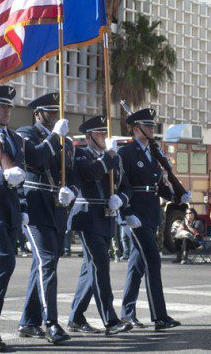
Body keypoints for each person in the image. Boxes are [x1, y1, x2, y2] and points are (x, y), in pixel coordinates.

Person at [0, 85, 68, 350]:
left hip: (11, 211)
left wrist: (55, 137)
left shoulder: (14, 140)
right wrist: (1, 177)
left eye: (10, 107)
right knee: (3, 261)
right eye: (2, 107)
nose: (8, 111)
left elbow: (38, 158)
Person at [118, 107, 189, 330]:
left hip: (151, 213)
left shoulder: (153, 153)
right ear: (136, 128)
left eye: (152, 126)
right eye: (147, 126)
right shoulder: (126, 152)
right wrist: (126, 213)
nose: (151, 129)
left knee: (137, 266)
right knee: (153, 262)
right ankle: (159, 316)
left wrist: (177, 195)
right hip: (136, 213)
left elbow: (157, 186)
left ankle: (127, 313)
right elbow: (122, 184)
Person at [17, 93, 75, 344]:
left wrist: (70, 191)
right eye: (49, 112)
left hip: (57, 209)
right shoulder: (26, 133)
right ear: (37, 114)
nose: (54, 116)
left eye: (56, 111)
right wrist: (54, 138)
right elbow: (35, 158)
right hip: (36, 206)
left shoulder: (67, 142)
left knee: (43, 265)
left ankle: (28, 322)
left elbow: (71, 174)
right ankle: (50, 321)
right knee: (47, 262)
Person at [68, 115, 132, 336]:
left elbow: (126, 186)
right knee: (100, 267)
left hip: (107, 217)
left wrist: (121, 199)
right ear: (89, 137)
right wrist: (109, 158)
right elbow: (91, 173)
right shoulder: (80, 154)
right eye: (99, 134)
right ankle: (110, 320)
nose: (104, 137)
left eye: (104, 133)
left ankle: (75, 317)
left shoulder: (112, 158)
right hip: (87, 218)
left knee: (90, 270)